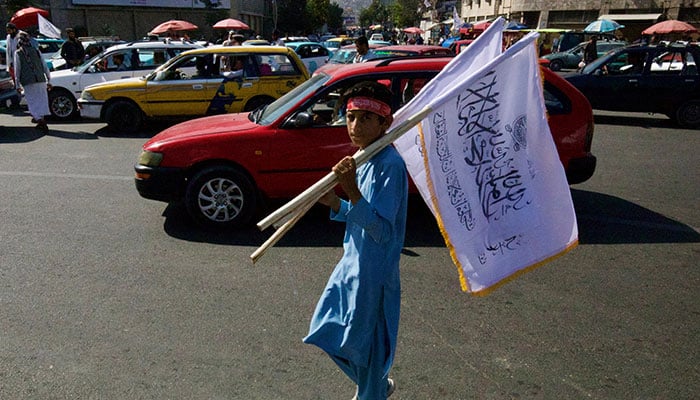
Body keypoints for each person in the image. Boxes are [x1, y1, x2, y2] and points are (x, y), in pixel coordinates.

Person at [304, 81, 408, 400]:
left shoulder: (389, 165)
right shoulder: (364, 156)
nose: (355, 126)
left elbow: (382, 230)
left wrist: (350, 190)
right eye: (351, 117)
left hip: (374, 273)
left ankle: (371, 390)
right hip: (352, 264)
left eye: (365, 118)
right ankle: (375, 385)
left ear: (384, 123)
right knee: (326, 329)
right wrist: (336, 204)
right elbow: (360, 216)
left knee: (366, 346)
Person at [14, 32, 52, 131]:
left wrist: (17, 84)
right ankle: (41, 119)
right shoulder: (36, 51)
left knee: (32, 101)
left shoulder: (18, 53)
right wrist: (49, 79)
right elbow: (44, 66)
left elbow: (17, 70)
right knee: (41, 100)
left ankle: (40, 120)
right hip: (40, 79)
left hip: (28, 81)